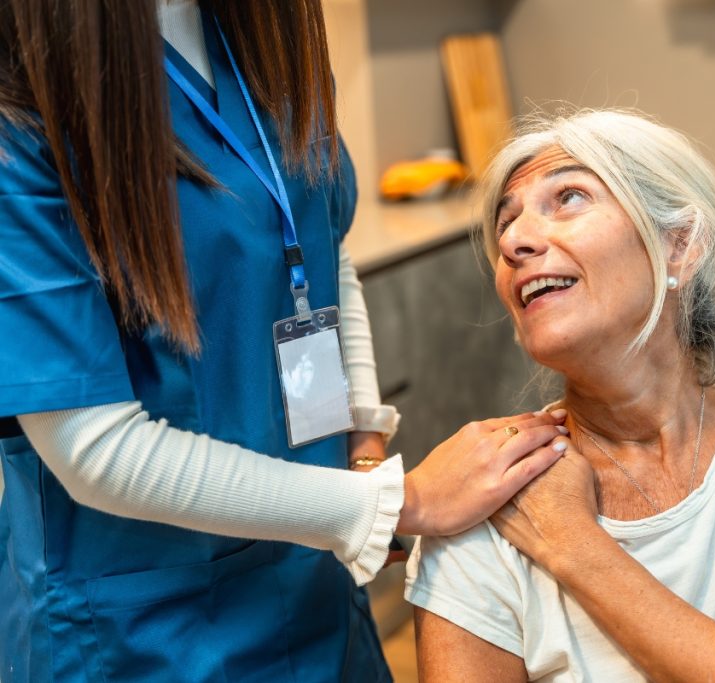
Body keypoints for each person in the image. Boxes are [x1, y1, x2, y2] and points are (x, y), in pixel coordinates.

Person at [0, 2, 567, 681]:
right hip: (145, 629)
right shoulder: (25, 110)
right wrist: (398, 502)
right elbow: (92, 445)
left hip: (314, 580)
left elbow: (325, 251)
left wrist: (362, 443)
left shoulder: (261, 39)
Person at [407, 109, 715, 682]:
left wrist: (575, 545)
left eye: (568, 197)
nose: (514, 240)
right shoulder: (485, 493)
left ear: (681, 245)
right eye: (505, 223)